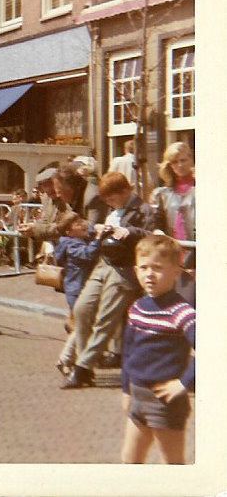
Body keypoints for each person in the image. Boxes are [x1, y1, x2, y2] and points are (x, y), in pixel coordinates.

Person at [61, 172, 154, 389]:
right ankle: (86, 365)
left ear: (125, 192)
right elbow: (100, 230)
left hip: (124, 269)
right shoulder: (114, 209)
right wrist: (97, 230)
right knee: (82, 309)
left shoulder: (143, 209)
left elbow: (152, 236)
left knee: (106, 318)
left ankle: (82, 369)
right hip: (104, 264)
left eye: (112, 199)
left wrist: (128, 231)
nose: (109, 204)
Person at [120, 234, 195, 464]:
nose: (149, 274)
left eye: (158, 268)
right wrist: (126, 389)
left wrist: (183, 383)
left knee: (171, 464)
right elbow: (128, 351)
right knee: (130, 460)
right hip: (139, 395)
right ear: (136, 270)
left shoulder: (181, 312)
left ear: (176, 272)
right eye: (144, 267)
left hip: (165, 402)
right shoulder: (137, 308)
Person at [53, 211, 102, 374]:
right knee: (81, 326)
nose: (82, 224)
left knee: (81, 325)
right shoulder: (72, 245)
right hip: (77, 289)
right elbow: (87, 255)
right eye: (77, 223)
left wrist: (97, 229)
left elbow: (90, 230)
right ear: (68, 231)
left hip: (77, 288)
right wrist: (98, 239)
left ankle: (68, 360)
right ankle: (65, 359)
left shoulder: (76, 239)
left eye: (81, 220)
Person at [149, 142, 195, 306]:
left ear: (191, 160)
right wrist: (158, 232)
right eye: (175, 162)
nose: (180, 165)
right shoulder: (163, 193)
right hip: (173, 257)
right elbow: (156, 222)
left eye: (183, 160)